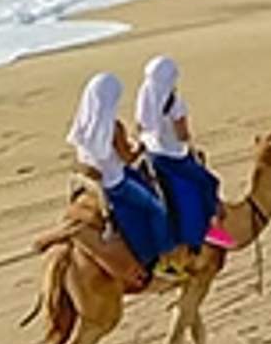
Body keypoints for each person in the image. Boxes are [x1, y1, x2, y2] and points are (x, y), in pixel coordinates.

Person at [65, 71, 176, 286]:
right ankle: (162, 259)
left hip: (94, 185)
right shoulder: (113, 127)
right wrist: (141, 143)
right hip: (117, 184)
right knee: (156, 209)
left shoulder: (82, 127)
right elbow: (128, 157)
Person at [131, 54, 221, 249]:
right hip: (171, 156)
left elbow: (140, 126)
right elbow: (182, 135)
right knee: (208, 183)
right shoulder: (174, 101)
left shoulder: (143, 96)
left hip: (150, 152)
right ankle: (208, 227)